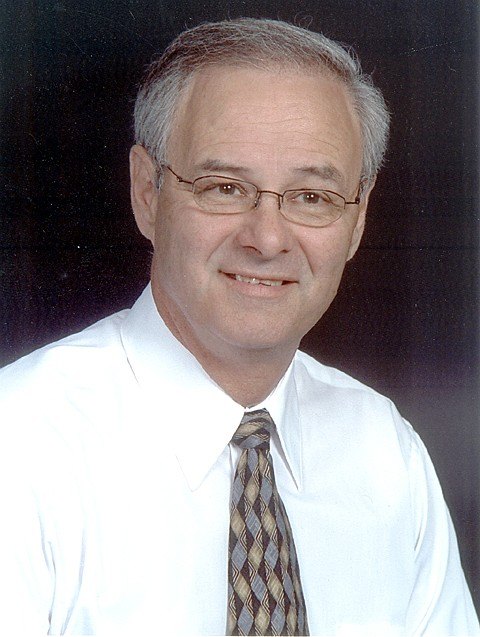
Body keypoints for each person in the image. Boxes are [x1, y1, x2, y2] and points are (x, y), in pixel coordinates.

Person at [0, 17, 478, 637]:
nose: (267, 239)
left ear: (357, 220)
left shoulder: (385, 453)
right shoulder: (22, 447)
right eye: (225, 187)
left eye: (312, 197)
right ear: (147, 193)